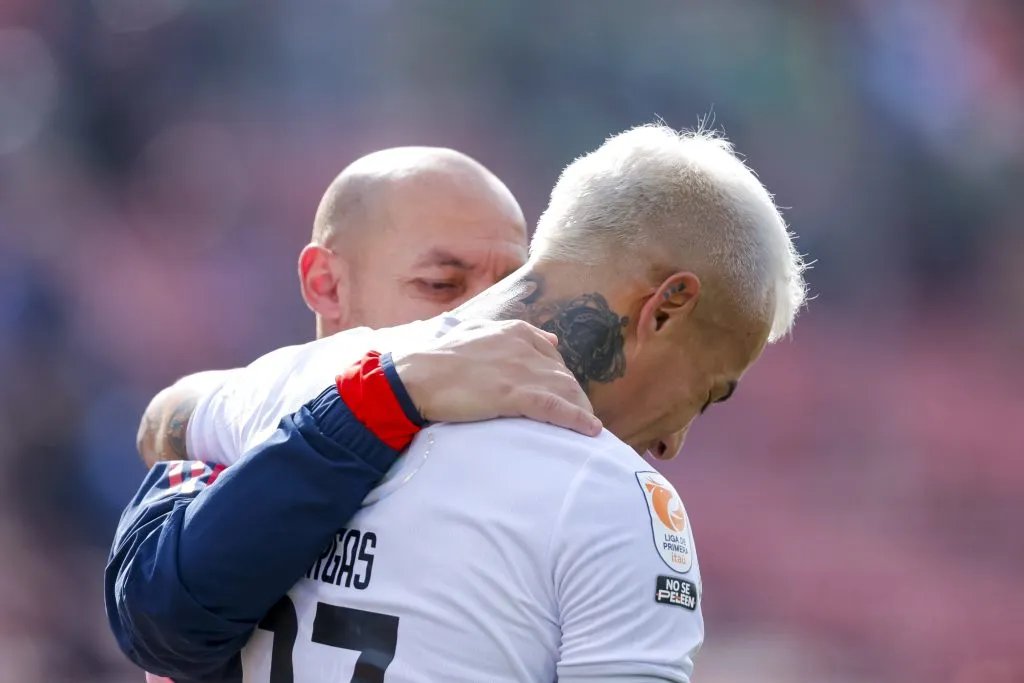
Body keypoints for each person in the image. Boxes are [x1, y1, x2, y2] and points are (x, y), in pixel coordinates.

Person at [109, 123, 807, 682]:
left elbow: (165, 421)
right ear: (666, 307)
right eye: (708, 390)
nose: (674, 442)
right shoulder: (615, 500)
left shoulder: (310, 376)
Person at [130, 147, 599, 683]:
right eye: (442, 285)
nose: (483, 317)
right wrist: (387, 395)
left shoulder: (547, 481)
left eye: (507, 291)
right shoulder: (229, 450)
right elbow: (165, 630)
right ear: (325, 284)